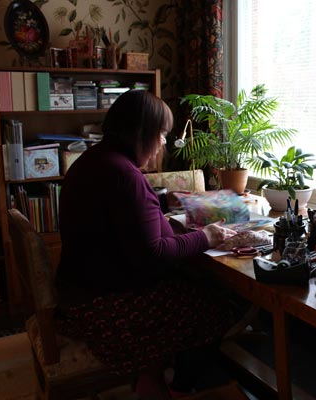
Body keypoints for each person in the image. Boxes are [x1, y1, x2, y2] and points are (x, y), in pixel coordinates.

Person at [55, 90, 237, 399]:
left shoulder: (98, 160)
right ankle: (178, 386)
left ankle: (152, 373)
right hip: (105, 305)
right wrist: (208, 236)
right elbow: (155, 253)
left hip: (79, 292)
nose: (164, 143)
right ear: (143, 133)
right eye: (162, 134)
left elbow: (130, 211)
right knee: (219, 305)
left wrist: (169, 199)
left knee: (190, 282)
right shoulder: (124, 174)